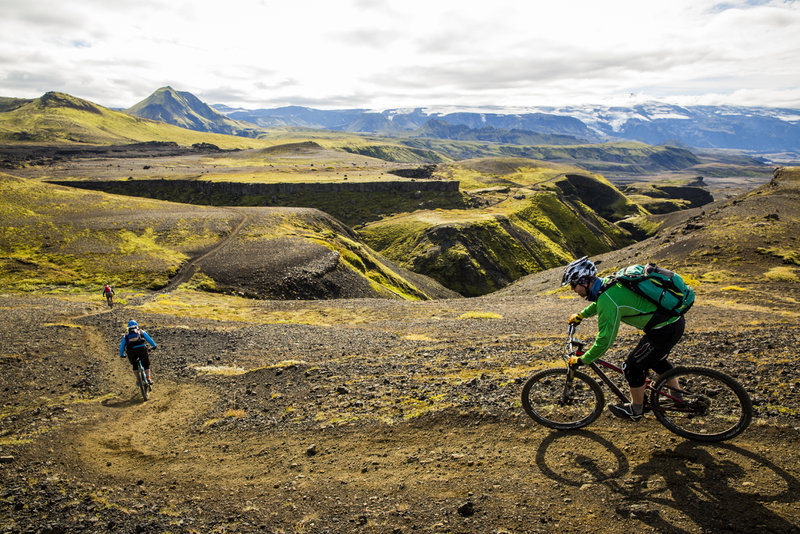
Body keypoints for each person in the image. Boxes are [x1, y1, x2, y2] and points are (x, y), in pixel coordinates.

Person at [561, 256, 684, 421]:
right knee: (655, 360)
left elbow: (605, 339)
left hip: (663, 330)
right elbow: (600, 302)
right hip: (672, 323)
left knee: (631, 367)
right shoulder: (607, 284)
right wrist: (581, 315)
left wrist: (584, 359)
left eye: (573, 284)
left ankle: (636, 410)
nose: (572, 289)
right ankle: (678, 398)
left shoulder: (607, 299)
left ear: (584, 281)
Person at [119, 320, 157, 387]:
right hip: (141, 349)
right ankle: (148, 378)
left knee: (134, 365)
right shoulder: (140, 331)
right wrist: (154, 346)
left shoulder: (126, 334)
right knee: (146, 364)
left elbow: (122, 345)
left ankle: (138, 379)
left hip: (131, 351)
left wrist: (122, 354)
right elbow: (148, 339)